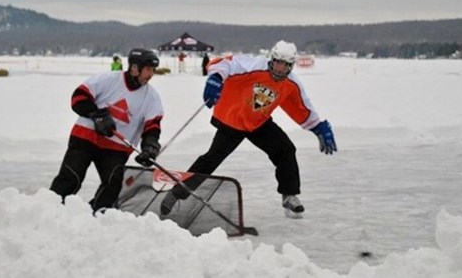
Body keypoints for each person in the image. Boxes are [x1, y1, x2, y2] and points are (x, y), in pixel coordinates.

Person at [160, 40, 337, 219]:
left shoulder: (291, 84)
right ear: (271, 59)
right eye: (276, 61)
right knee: (211, 159)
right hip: (232, 121)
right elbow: (223, 63)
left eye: (284, 64)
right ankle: (176, 193)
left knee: (286, 149)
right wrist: (215, 79)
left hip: (258, 123)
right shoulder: (252, 66)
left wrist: (319, 127)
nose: (279, 67)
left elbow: (301, 107)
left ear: (291, 66)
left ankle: (289, 195)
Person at [50, 48, 164, 212]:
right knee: (71, 179)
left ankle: (97, 217)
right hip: (86, 138)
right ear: (134, 67)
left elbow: (152, 125)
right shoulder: (107, 80)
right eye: (148, 69)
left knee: (113, 185)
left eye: (154, 70)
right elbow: (78, 97)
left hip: (116, 148)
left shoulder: (152, 97)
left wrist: (150, 145)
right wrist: (96, 115)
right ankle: (51, 211)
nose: (151, 74)